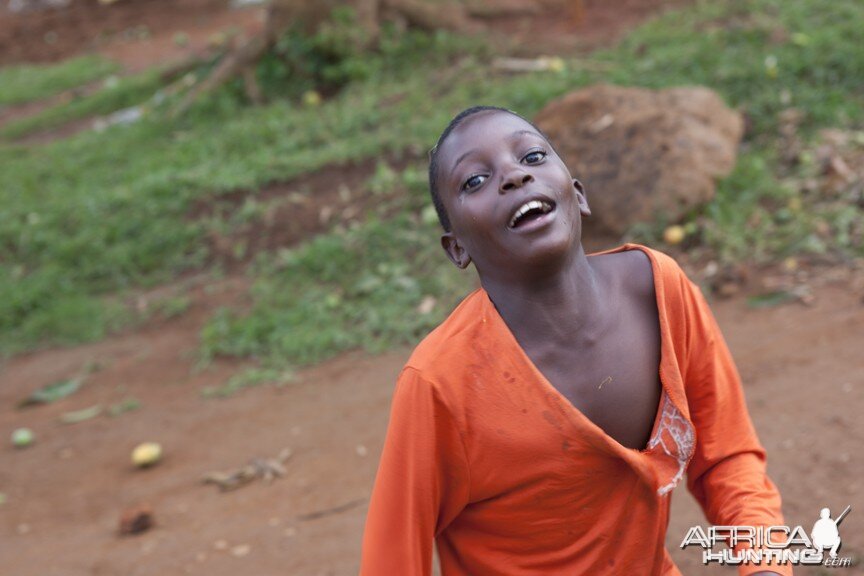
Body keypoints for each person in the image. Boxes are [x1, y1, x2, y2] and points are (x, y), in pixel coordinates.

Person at [360, 106, 790, 575]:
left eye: (532, 155)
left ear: (578, 194)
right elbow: (393, 558)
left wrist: (765, 565)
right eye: (475, 181)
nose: (514, 176)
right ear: (456, 247)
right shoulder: (441, 382)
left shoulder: (658, 293)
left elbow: (728, 459)